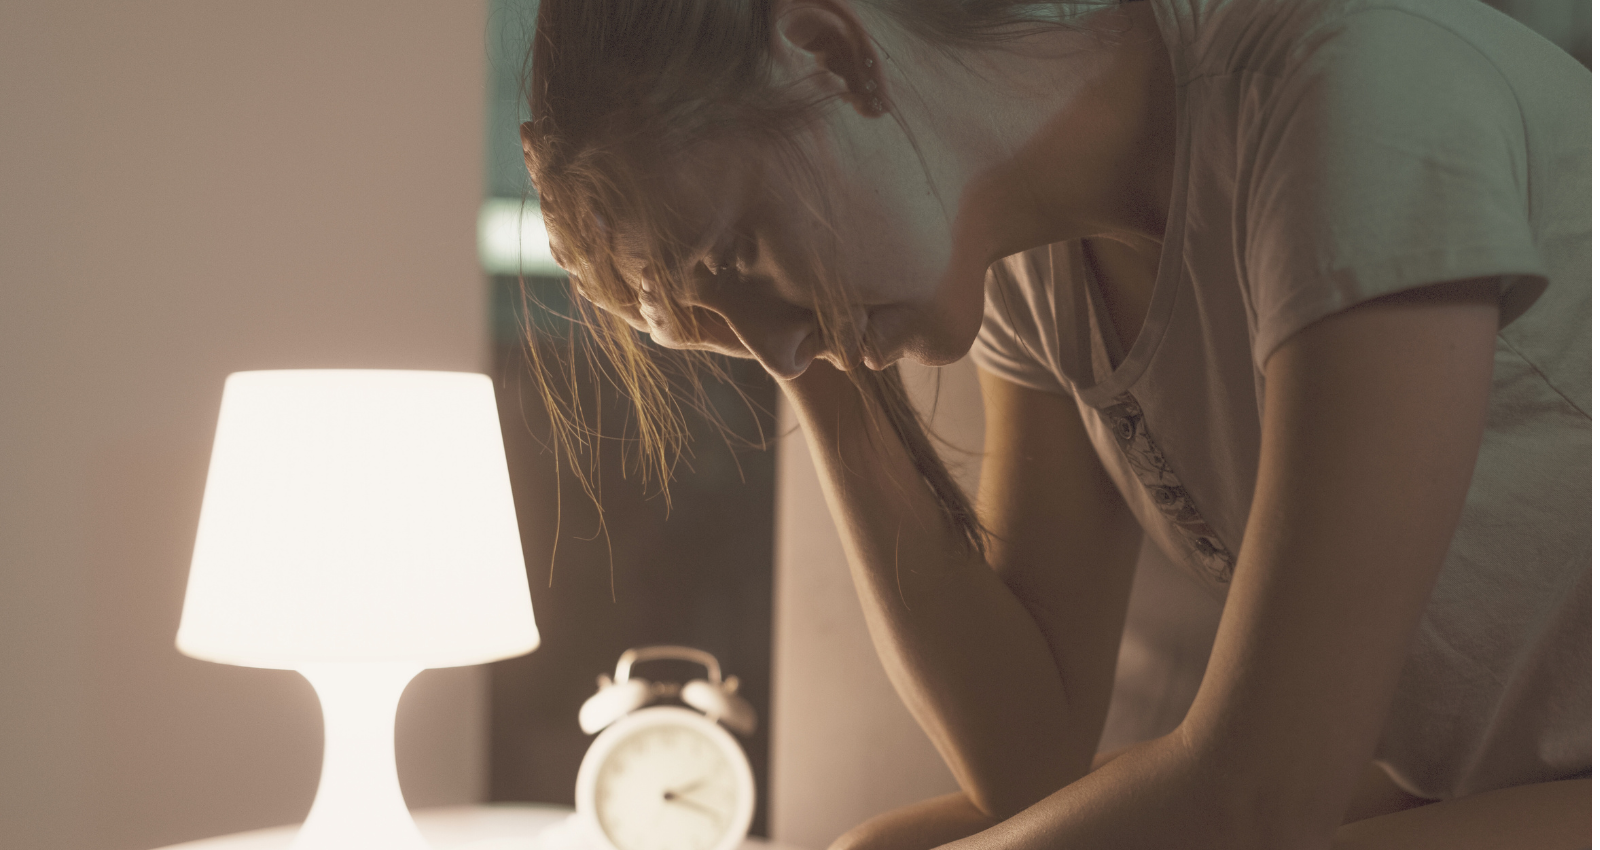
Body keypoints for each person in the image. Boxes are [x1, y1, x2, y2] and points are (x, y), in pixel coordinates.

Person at [518, 0, 1590, 847]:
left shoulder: (1350, 95)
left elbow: (1263, 796)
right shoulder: (1031, 266)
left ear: (832, 56)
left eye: (735, 249)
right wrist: (815, 360)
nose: (768, 347)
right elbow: (1024, 747)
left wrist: (805, 304)